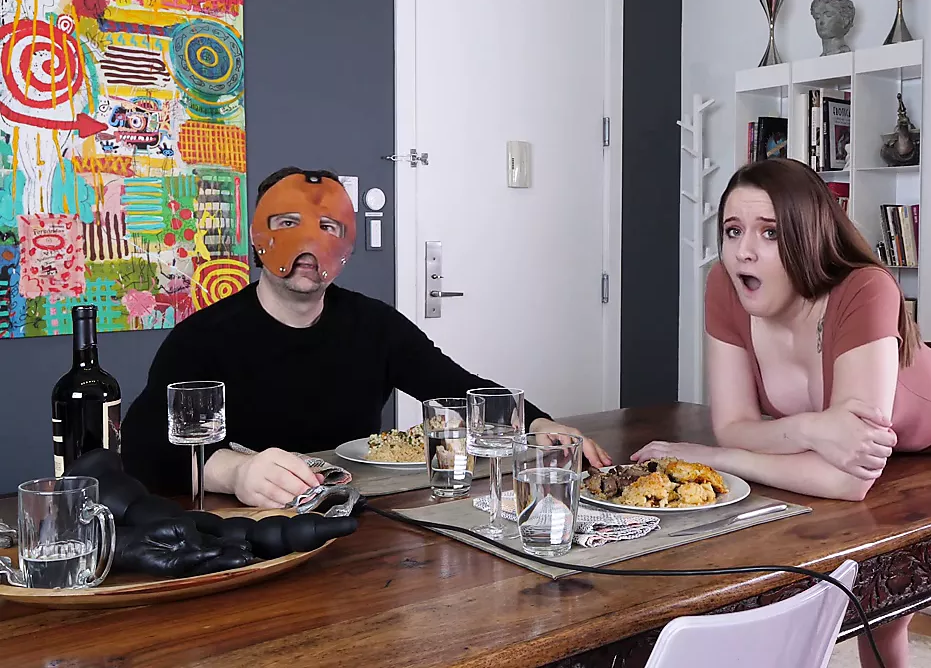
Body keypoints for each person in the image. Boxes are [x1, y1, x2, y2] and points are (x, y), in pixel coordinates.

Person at [631, 158, 931, 668]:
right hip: (904, 448)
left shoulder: (865, 288)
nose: (743, 250)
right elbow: (733, 427)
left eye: (770, 232)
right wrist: (813, 428)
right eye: (732, 230)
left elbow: (845, 479)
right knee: (883, 609)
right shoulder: (726, 285)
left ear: (810, 236)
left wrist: (714, 458)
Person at [121, 167, 610, 508]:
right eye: (288, 224)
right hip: (247, 532)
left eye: (328, 227)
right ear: (257, 236)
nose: (309, 243)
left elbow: (455, 387)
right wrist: (236, 473)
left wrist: (536, 422)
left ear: (347, 245)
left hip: (359, 520)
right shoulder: (202, 338)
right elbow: (143, 447)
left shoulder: (373, 325)